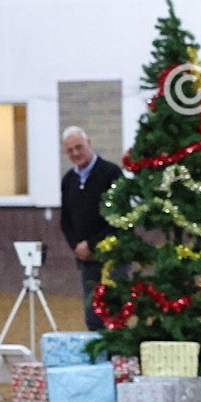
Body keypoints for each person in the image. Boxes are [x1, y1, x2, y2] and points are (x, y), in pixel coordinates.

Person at [59, 126, 123, 331]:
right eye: (70, 150)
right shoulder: (68, 181)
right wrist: (78, 248)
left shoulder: (111, 173)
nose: (75, 153)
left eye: (79, 147)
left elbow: (119, 219)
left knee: (114, 315)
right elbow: (66, 220)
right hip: (86, 261)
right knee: (92, 318)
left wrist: (92, 245)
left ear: (89, 143)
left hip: (113, 259)